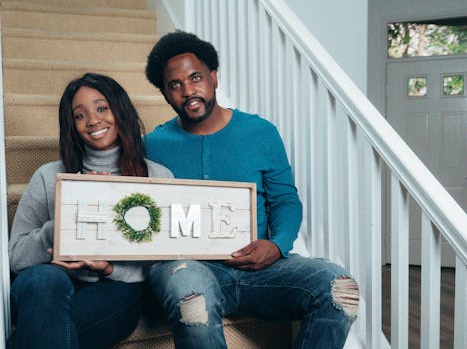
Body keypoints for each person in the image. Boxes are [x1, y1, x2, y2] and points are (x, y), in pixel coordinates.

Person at [143, 30, 359, 349]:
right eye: (174, 85)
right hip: (190, 269)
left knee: (340, 288)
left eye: (196, 77)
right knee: (193, 300)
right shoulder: (152, 145)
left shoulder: (260, 132)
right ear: (164, 93)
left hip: (262, 269)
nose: (188, 91)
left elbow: (285, 200)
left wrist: (277, 244)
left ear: (214, 78)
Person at [7, 73, 173, 349]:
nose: (93, 120)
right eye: (80, 115)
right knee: (42, 279)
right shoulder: (48, 176)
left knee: (46, 329)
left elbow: (166, 260)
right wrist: (58, 230)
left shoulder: (157, 176)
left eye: (101, 108)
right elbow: (15, 256)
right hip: (49, 281)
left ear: (120, 111)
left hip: (115, 288)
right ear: (71, 124)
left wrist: (109, 267)